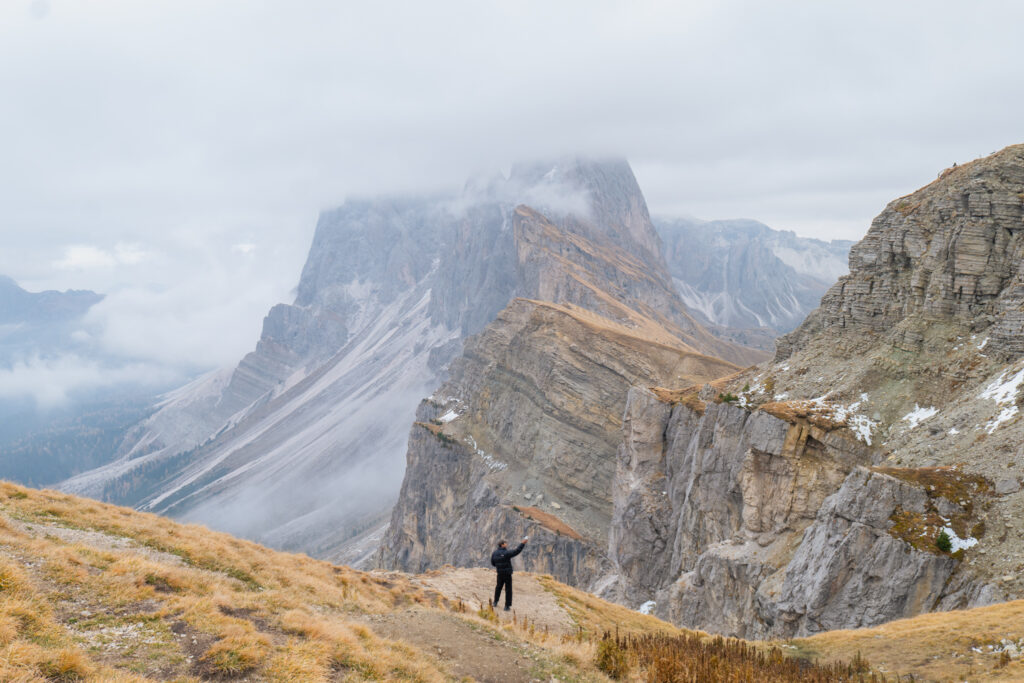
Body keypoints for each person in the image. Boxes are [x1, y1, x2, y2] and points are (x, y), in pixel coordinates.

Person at [490, 537, 527, 611]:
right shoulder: (506, 553)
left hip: (499, 573)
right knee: (508, 589)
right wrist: (522, 543)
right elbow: (516, 551)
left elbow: (493, 563)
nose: (506, 544)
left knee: (498, 587)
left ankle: (495, 602)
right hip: (507, 574)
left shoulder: (494, 553)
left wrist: (499, 566)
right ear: (502, 544)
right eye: (505, 543)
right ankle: (507, 606)